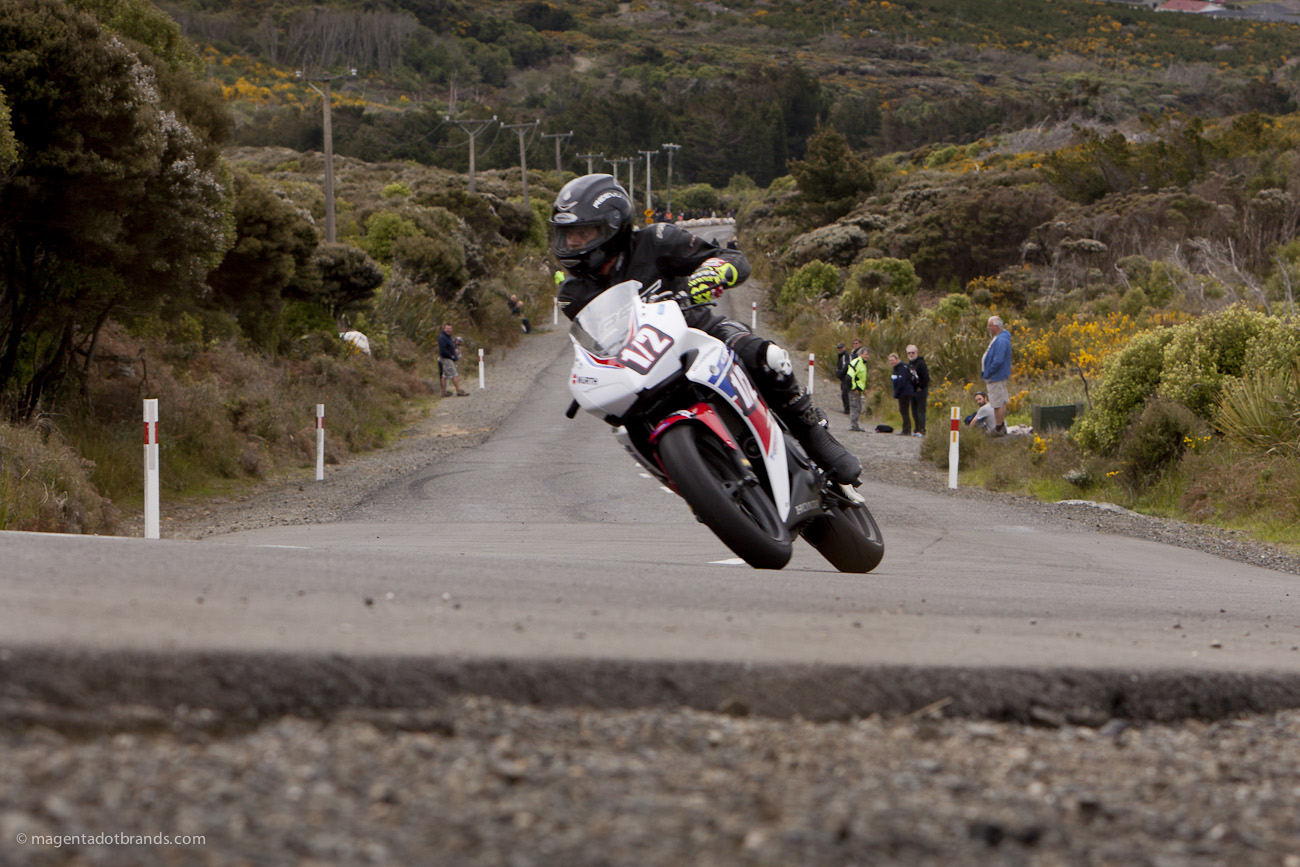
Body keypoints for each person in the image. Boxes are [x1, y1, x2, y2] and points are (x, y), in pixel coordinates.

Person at [551, 174, 860, 485]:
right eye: (567, 235)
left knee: (768, 357)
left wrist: (711, 273)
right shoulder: (572, 294)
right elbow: (595, 342)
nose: (573, 243)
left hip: (698, 331)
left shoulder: (656, 240)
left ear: (613, 226)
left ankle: (812, 432)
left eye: (583, 232)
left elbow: (730, 258)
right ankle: (685, 480)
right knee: (624, 423)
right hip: (641, 366)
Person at [982, 315, 1012, 434]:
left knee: (997, 403)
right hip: (997, 375)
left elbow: (998, 360)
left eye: (990, 325)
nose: (988, 328)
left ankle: (998, 427)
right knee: (1001, 401)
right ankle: (1001, 425)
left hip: (996, 376)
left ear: (996, 326)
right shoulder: (999, 338)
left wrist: (988, 372)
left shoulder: (1001, 340)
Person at [906, 344, 930, 437]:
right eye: (909, 353)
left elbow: (926, 378)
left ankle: (922, 429)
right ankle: (916, 428)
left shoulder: (921, 364)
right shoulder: (909, 364)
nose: (911, 354)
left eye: (913, 352)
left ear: (916, 353)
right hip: (912, 390)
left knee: (921, 410)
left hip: (921, 390)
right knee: (914, 410)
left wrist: (920, 386)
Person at [888, 352, 915, 436]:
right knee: (903, 411)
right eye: (890, 361)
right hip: (902, 392)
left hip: (905, 392)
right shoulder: (896, 368)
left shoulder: (902, 368)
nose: (891, 362)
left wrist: (897, 393)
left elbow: (901, 382)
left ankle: (906, 430)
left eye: (893, 360)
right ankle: (906, 429)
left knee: (904, 411)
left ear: (897, 359)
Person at [438, 323, 468, 397]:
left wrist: (454, 353)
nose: (449, 330)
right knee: (454, 374)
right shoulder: (442, 338)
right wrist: (451, 356)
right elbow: (443, 349)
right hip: (446, 359)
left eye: (450, 329)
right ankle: (458, 390)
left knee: (444, 375)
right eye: (447, 329)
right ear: (444, 329)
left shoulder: (448, 337)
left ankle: (444, 392)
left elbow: (451, 346)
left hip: (448, 358)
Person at [847, 347, 869, 432]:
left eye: (868, 354)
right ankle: (853, 425)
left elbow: (862, 378)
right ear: (860, 354)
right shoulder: (856, 362)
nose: (867, 356)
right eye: (865, 354)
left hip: (859, 390)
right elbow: (849, 377)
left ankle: (855, 424)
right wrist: (854, 388)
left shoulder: (863, 364)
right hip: (854, 390)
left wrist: (864, 389)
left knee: (858, 407)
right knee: (854, 407)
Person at [835, 342, 852, 414]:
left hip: (847, 376)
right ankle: (847, 408)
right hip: (844, 377)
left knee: (845, 393)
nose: (840, 349)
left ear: (844, 347)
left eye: (841, 347)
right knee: (844, 392)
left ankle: (847, 409)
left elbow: (847, 365)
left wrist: (841, 373)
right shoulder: (841, 356)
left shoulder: (846, 355)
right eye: (839, 348)